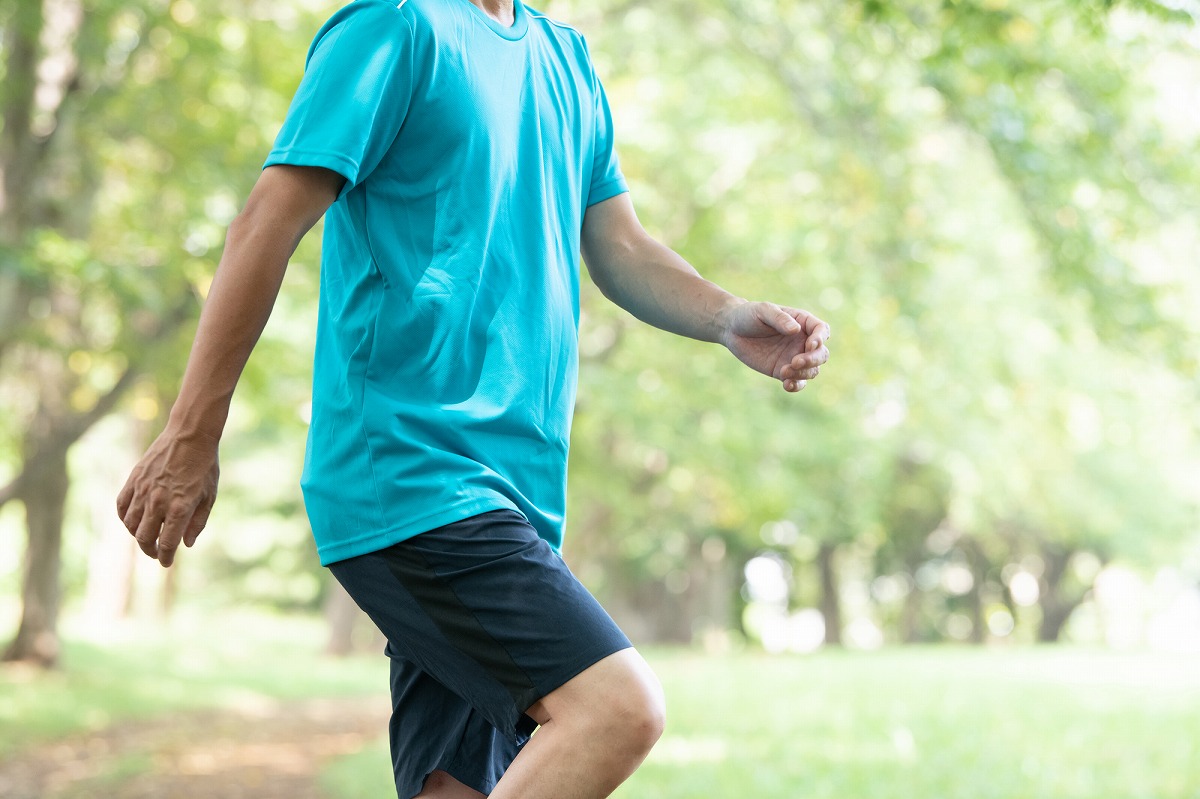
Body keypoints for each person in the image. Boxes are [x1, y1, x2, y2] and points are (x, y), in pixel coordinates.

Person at [116, 0, 830, 797]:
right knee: (615, 709)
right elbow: (264, 222)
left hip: (513, 494)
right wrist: (190, 432)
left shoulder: (567, 63)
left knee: (454, 787)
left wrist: (728, 317)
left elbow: (621, 248)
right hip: (412, 474)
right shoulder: (394, 28)